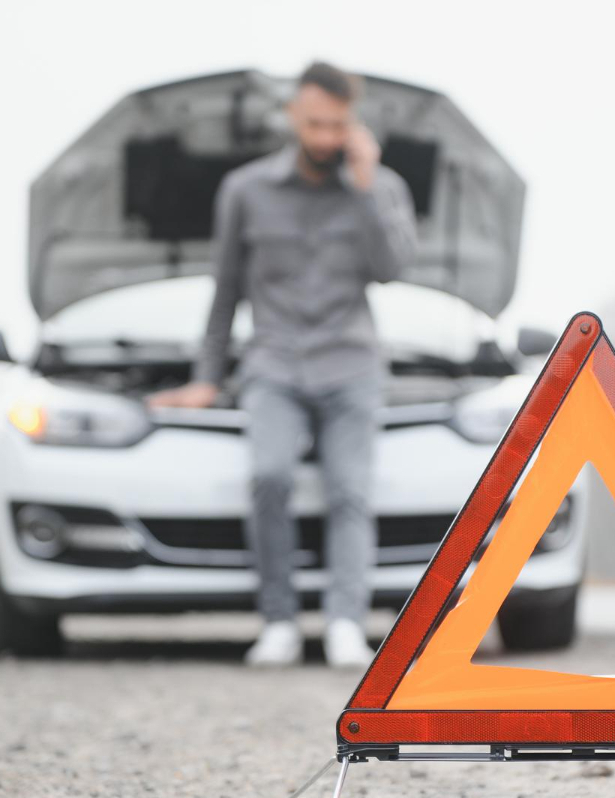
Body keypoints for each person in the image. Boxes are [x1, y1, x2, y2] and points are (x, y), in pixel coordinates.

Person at [147, 61, 418, 668]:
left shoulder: (381, 186)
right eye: (315, 123)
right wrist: (206, 377)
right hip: (274, 366)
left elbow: (391, 268)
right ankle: (279, 623)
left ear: (354, 123)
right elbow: (225, 290)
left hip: (351, 366)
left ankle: (346, 623)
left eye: (337, 125)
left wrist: (367, 183)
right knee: (268, 478)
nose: (325, 137)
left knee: (351, 491)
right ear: (294, 116)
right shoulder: (245, 190)